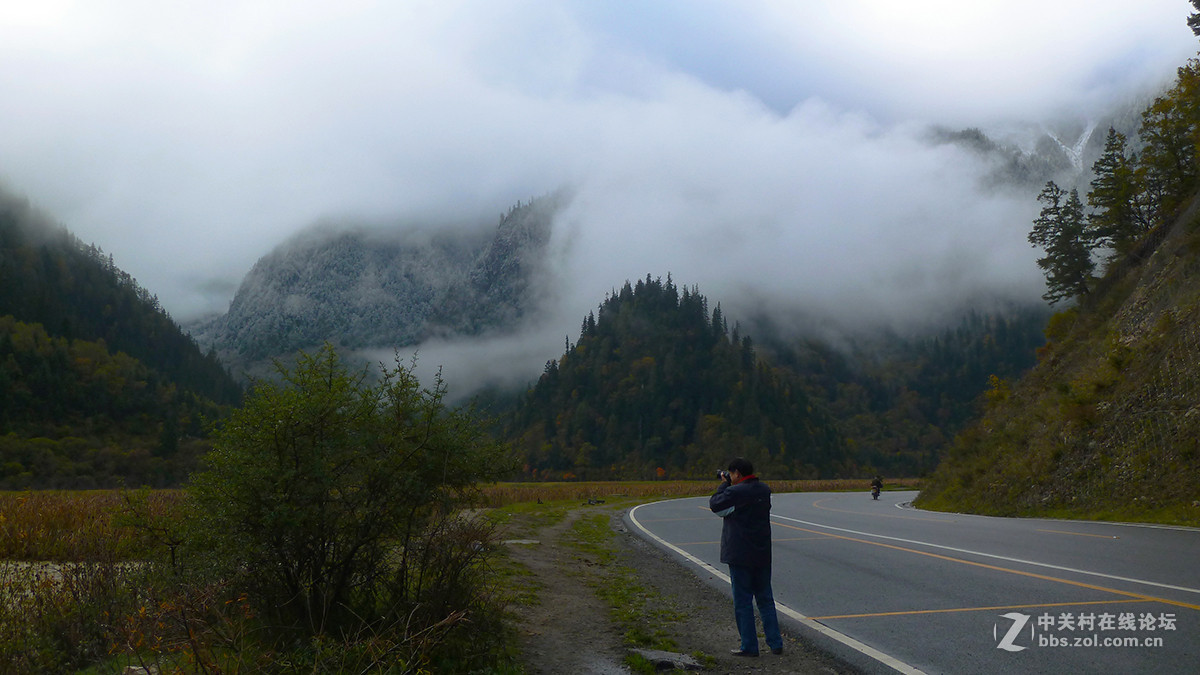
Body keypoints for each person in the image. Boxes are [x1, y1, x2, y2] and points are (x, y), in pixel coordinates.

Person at [709, 457, 784, 657]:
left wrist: (724, 484)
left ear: (737, 474)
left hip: (740, 553)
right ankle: (775, 642)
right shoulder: (764, 490)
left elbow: (716, 506)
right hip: (761, 552)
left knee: (743, 601)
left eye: (731, 474)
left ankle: (749, 646)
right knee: (765, 599)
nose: (730, 477)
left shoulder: (735, 491)